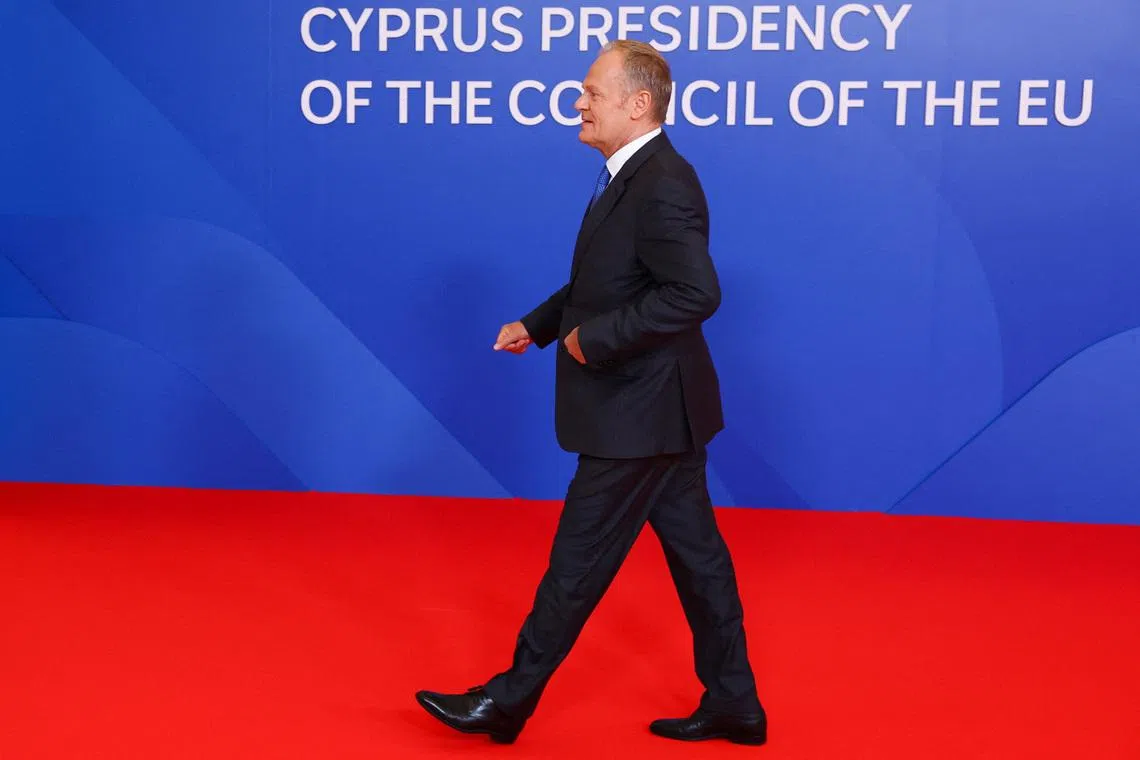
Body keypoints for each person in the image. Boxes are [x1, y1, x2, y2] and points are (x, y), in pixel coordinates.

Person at [414, 39, 767, 747]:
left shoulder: (663, 181)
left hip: (639, 411)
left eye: (591, 91)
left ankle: (508, 703)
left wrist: (593, 341)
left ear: (638, 105)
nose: (578, 102)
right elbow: (607, 285)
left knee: (577, 563)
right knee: (700, 563)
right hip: (664, 411)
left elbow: (696, 293)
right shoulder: (627, 176)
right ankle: (735, 703)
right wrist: (540, 326)